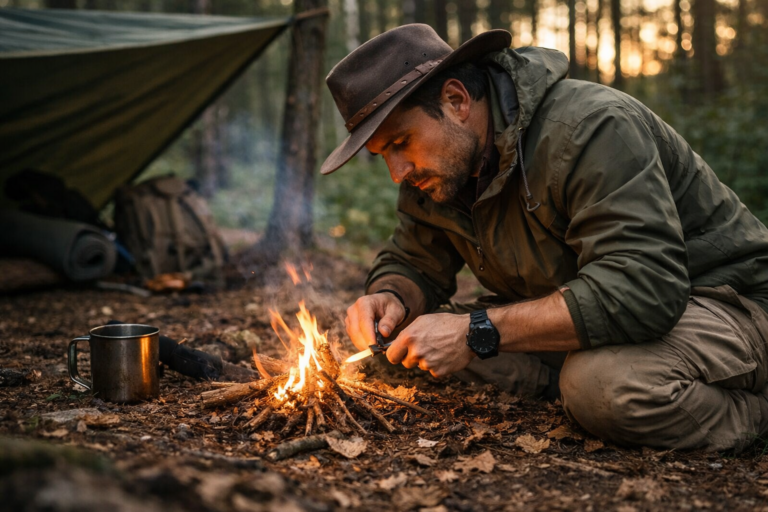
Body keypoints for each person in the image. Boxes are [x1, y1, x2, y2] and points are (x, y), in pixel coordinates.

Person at [321, 24, 768, 452]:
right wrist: (391, 296)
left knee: (604, 386)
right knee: (397, 352)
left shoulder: (590, 128)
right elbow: (414, 260)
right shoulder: (442, 170)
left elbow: (642, 289)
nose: (397, 171)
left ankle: (750, 411)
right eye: (383, 156)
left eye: (401, 142)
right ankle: (581, 390)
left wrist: (477, 331)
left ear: (456, 100)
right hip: (595, 323)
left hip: (724, 301)